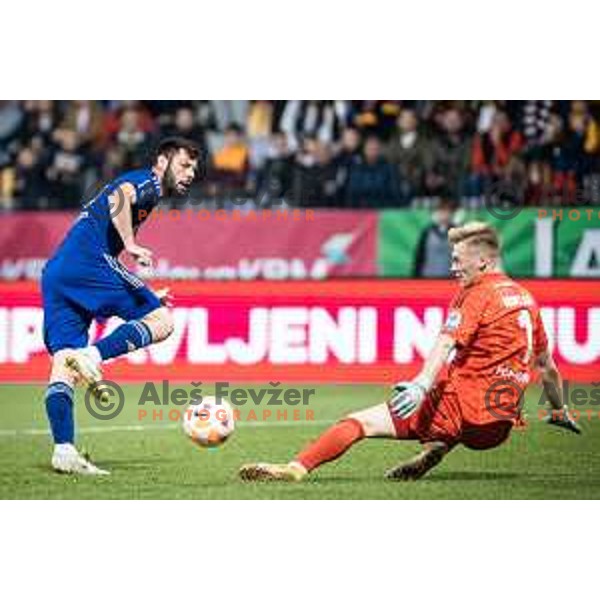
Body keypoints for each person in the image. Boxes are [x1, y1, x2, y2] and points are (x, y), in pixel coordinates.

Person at [240, 221, 580, 483]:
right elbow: (547, 367)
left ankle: (296, 468)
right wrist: (559, 409)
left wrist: (420, 383)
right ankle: (438, 446)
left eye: (458, 260)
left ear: (484, 262)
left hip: (463, 408)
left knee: (359, 422)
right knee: (455, 396)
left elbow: (446, 342)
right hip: (499, 426)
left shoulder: (476, 294)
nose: (452, 268)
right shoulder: (526, 298)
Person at [41, 137, 202, 475]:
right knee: (162, 321)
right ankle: (92, 356)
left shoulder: (150, 191)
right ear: (162, 161)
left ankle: (64, 451)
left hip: (59, 272)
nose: (190, 174)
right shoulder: (148, 182)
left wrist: (143, 292)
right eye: (185, 165)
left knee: (63, 362)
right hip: (88, 263)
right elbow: (119, 197)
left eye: (194, 169)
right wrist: (130, 244)